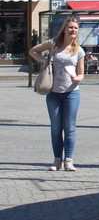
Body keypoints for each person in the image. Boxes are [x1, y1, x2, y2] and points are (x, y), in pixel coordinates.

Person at [29, 16, 86, 171]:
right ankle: (57, 160)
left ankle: (69, 160)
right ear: (64, 29)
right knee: (56, 127)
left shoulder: (79, 50)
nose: (73, 30)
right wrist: (44, 61)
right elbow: (33, 51)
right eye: (70, 27)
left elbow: (82, 73)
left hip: (71, 93)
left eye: (75, 28)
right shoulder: (53, 44)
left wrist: (77, 78)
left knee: (70, 127)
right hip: (53, 92)